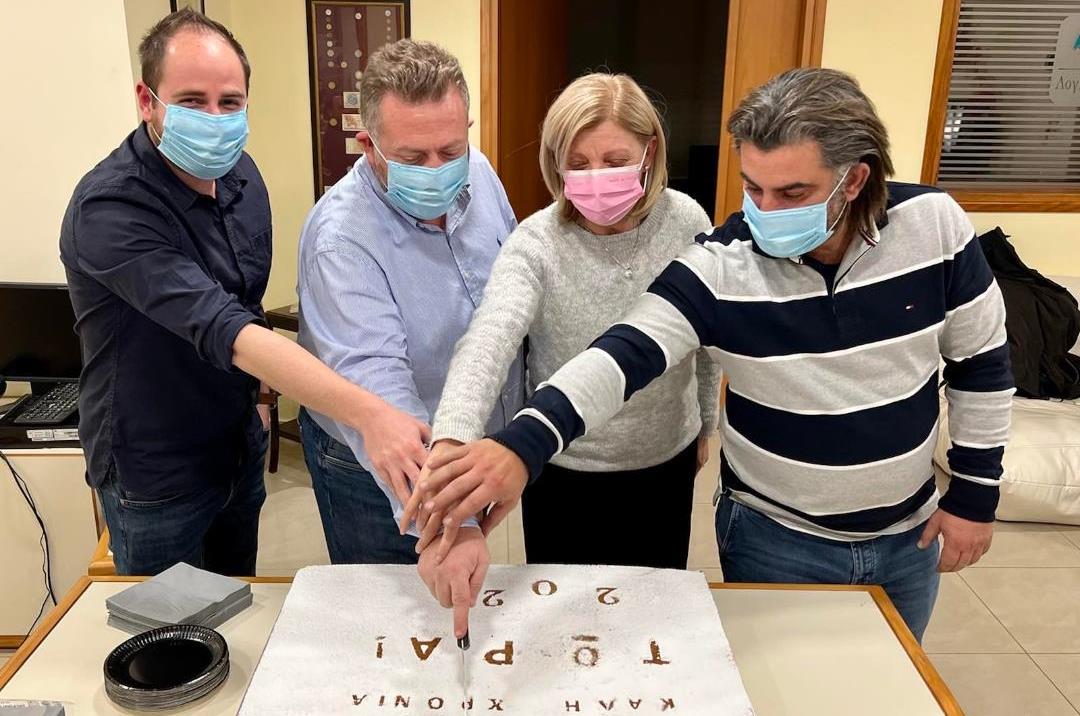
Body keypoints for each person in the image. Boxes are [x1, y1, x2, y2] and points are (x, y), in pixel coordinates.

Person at [406, 68, 1013, 642]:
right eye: (753, 189)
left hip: (905, 534)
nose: (766, 214)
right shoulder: (724, 261)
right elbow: (622, 353)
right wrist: (517, 445)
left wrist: (973, 494)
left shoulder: (935, 226)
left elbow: (982, 366)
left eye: (793, 193)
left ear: (853, 180)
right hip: (766, 532)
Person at [60, 9, 435, 576]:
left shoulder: (242, 177)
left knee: (237, 600)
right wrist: (371, 415)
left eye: (230, 102)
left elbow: (246, 301)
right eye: (192, 101)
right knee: (168, 621)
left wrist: (261, 405)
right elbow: (226, 328)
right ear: (146, 100)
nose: (214, 119)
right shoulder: (110, 207)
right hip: (156, 470)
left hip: (236, 446)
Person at [413, 73, 721, 583]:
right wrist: (451, 441)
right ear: (556, 164)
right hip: (562, 467)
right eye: (578, 164)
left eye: (615, 161)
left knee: (654, 604)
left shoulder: (685, 220)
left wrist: (707, 423)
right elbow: (488, 339)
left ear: (649, 152)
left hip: (665, 461)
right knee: (562, 609)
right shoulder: (537, 241)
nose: (596, 178)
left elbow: (705, 336)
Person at [296, 39, 523, 566]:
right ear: (368, 145)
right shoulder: (341, 240)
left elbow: (515, 285)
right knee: (395, 602)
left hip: (469, 443)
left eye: (449, 151)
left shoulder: (479, 171)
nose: (436, 169)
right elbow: (383, 393)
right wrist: (454, 523)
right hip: (379, 462)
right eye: (412, 158)